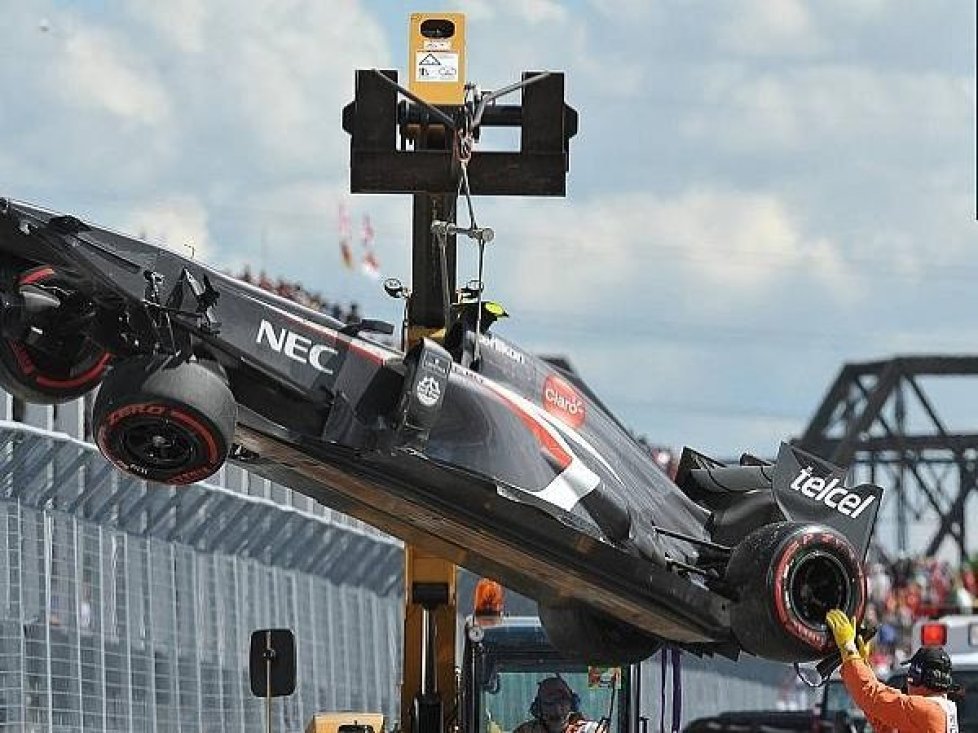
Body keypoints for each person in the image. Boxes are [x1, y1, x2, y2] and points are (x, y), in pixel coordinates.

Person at [826, 608, 959, 733]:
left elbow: (872, 696)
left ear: (917, 677)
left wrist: (848, 648)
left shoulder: (924, 710)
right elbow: (882, 717)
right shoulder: (941, 710)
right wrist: (861, 664)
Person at [514, 677, 603, 733]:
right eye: (549, 703)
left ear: (572, 703)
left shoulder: (592, 730)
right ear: (538, 708)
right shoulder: (524, 731)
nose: (557, 710)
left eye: (562, 701)